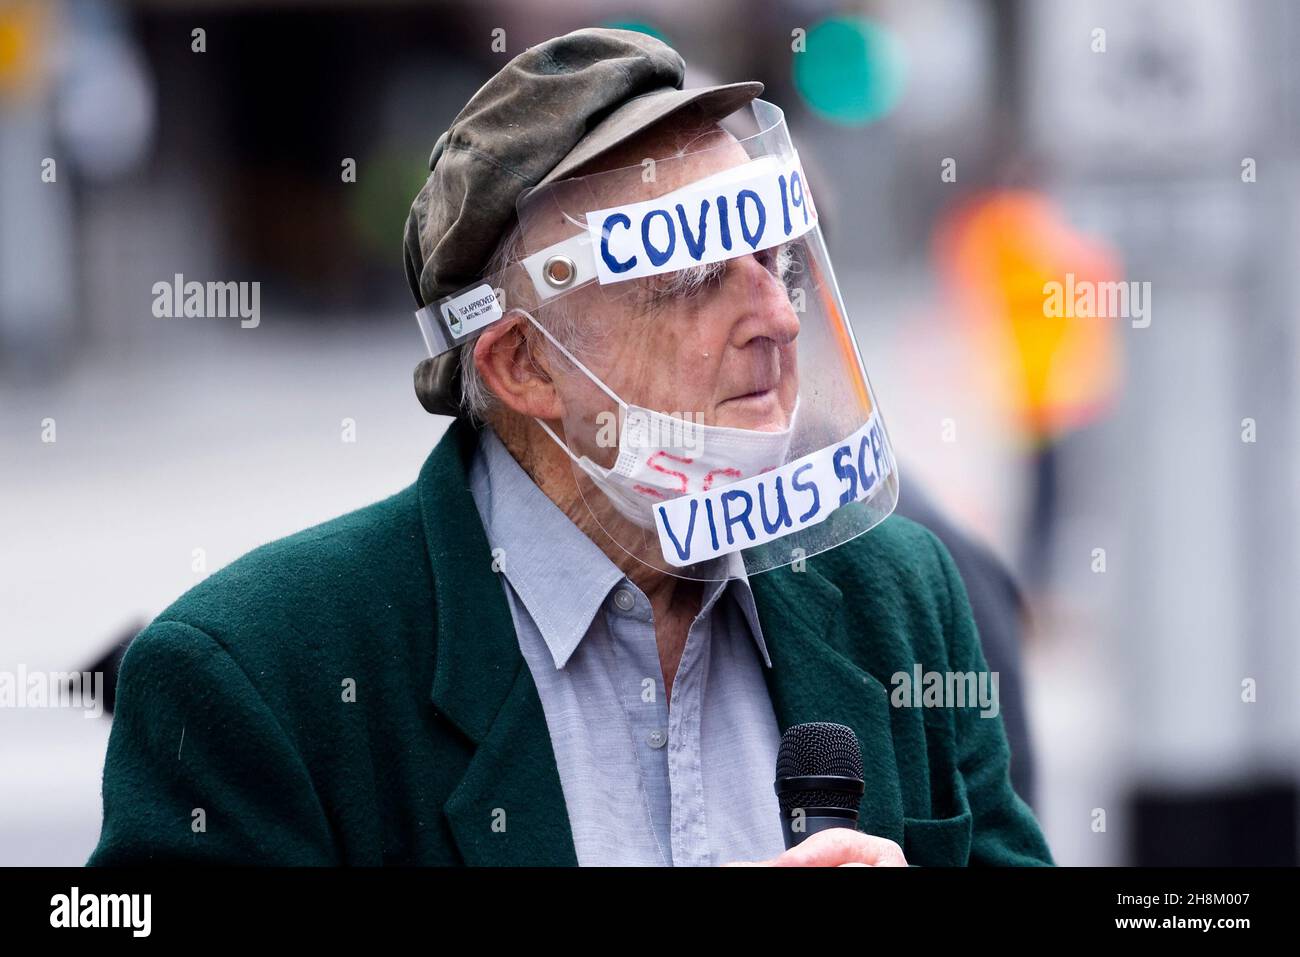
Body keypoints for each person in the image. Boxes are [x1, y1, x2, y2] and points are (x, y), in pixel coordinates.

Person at [88, 28, 1052, 867]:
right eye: (700, 271)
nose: (774, 316)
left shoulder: (898, 591)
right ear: (525, 366)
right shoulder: (261, 671)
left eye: (777, 256)